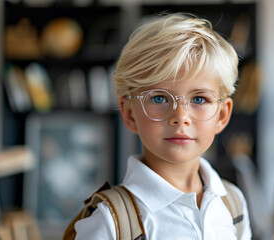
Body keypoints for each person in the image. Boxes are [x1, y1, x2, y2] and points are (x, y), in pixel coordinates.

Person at [74, 13, 252, 239]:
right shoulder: (109, 222)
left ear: (222, 115)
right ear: (129, 114)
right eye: (159, 98)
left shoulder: (233, 203)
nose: (180, 117)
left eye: (199, 99)